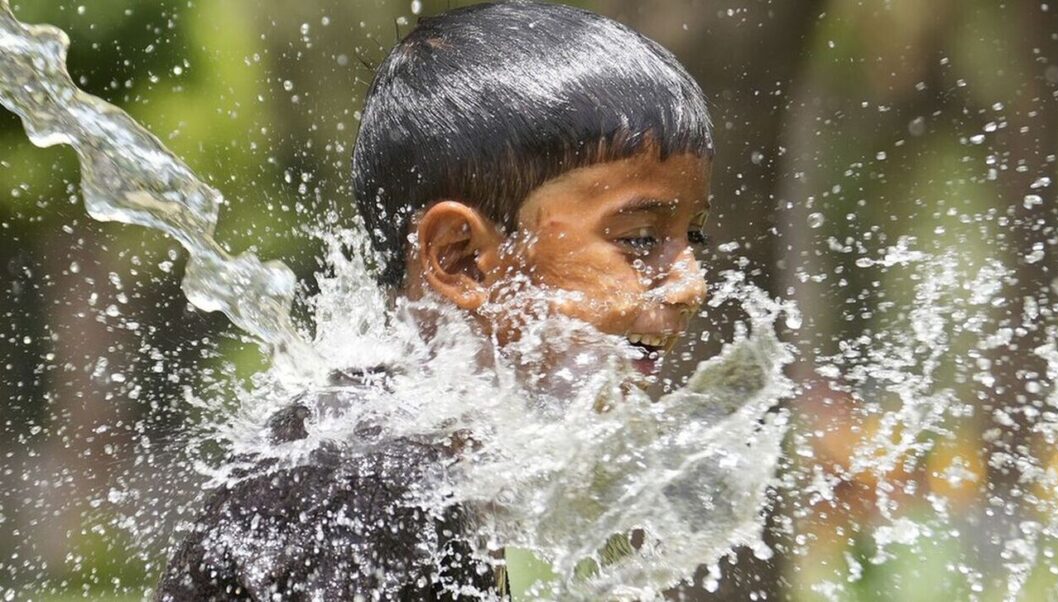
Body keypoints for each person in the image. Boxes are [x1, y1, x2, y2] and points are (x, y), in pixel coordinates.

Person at [156, 1, 713, 599]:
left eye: (693, 237)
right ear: (460, 260)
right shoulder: (353, 489)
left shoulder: (426, 459)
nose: (692, 285)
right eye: (640, 240)